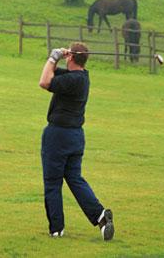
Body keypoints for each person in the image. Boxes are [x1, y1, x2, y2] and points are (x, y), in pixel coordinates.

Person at [39, 42, 114, 241]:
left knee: (52, 182)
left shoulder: (71, 80)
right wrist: (58, 59)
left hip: (58, 136)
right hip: (75, 137)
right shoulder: (81, 78)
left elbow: (44, 81)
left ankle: (56, 229)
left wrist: (54, 56)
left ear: (71, 57)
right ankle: (100, 216)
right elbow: (53, 74)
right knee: (74, 178)